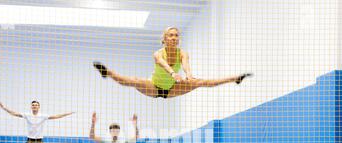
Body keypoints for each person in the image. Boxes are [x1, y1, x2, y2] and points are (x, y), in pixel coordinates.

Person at [93, 26, 252, 99]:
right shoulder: (157, 53)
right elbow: (164, 65)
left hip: (172, 89)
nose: (174, 38)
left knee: (200, 82)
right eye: (170, 35)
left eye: (176, 35)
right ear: (164, 39)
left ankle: (235, 78)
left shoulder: (182, 53)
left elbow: (186, 65)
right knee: (134, 80)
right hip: (153, 87)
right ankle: (108, 73)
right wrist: (174, 74)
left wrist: (189, 76)